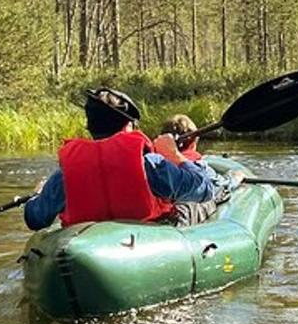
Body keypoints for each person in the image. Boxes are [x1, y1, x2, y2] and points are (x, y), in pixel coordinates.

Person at [24, 88, 220, 230]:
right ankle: (231, 184)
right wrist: (174, 155)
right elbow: (206, 189)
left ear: (89, 127)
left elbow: (35, 219)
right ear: (128, 126)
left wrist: (37, 196)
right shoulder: (151, 165)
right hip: (145, 239)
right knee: (201, 202)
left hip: (88, 241)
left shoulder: (65, 175)